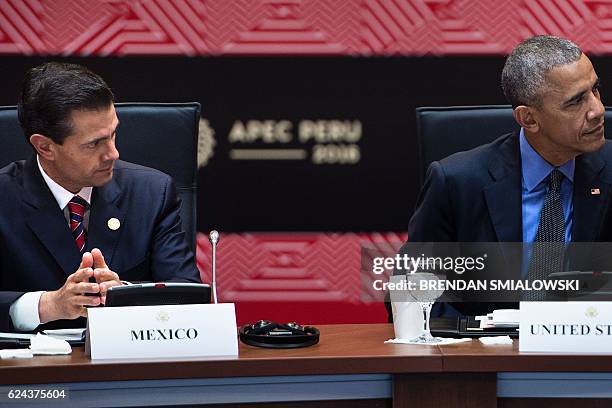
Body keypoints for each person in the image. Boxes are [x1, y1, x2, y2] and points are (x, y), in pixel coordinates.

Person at [397, 35, 612, 319]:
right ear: (529, 119)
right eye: (576, 102)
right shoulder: (457, 182)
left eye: (595, 90)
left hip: (592, 353)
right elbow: (410, 294)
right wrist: (484, 339)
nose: (597, 110)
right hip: (489, 355)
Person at [0, 62, 201, 331]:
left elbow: (189, 296)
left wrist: (124, 295)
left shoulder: (152, 193)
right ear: (45, 146)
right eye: (94, 144)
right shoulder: (5, 197)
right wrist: (48, 305)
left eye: (113, 134)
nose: (113, 154)